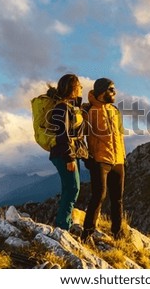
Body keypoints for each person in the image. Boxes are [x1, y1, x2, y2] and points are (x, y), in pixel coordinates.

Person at [82, 77, 126, 241]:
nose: (114, 92)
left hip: (118, 160)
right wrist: (87, 157)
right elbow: (80, 135)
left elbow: (120, 135)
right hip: (99, 159)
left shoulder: (115, 111)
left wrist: (123, 157)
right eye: (111, 89)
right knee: (98, 196)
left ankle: (117, 232)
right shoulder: (89, 111)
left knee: (117, 199)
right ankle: (87, 233)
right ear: (101, 92)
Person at [48, 73, 88, 230]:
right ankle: (63, 225)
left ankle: (64, 222)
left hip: (69, 153)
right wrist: (70, 158)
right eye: (79, 86)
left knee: (69, 188)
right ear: (73, 87)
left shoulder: (69, 106)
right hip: (64, 154)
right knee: (73, 188)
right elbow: (61, 134)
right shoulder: (61, 108)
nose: (82, 88)